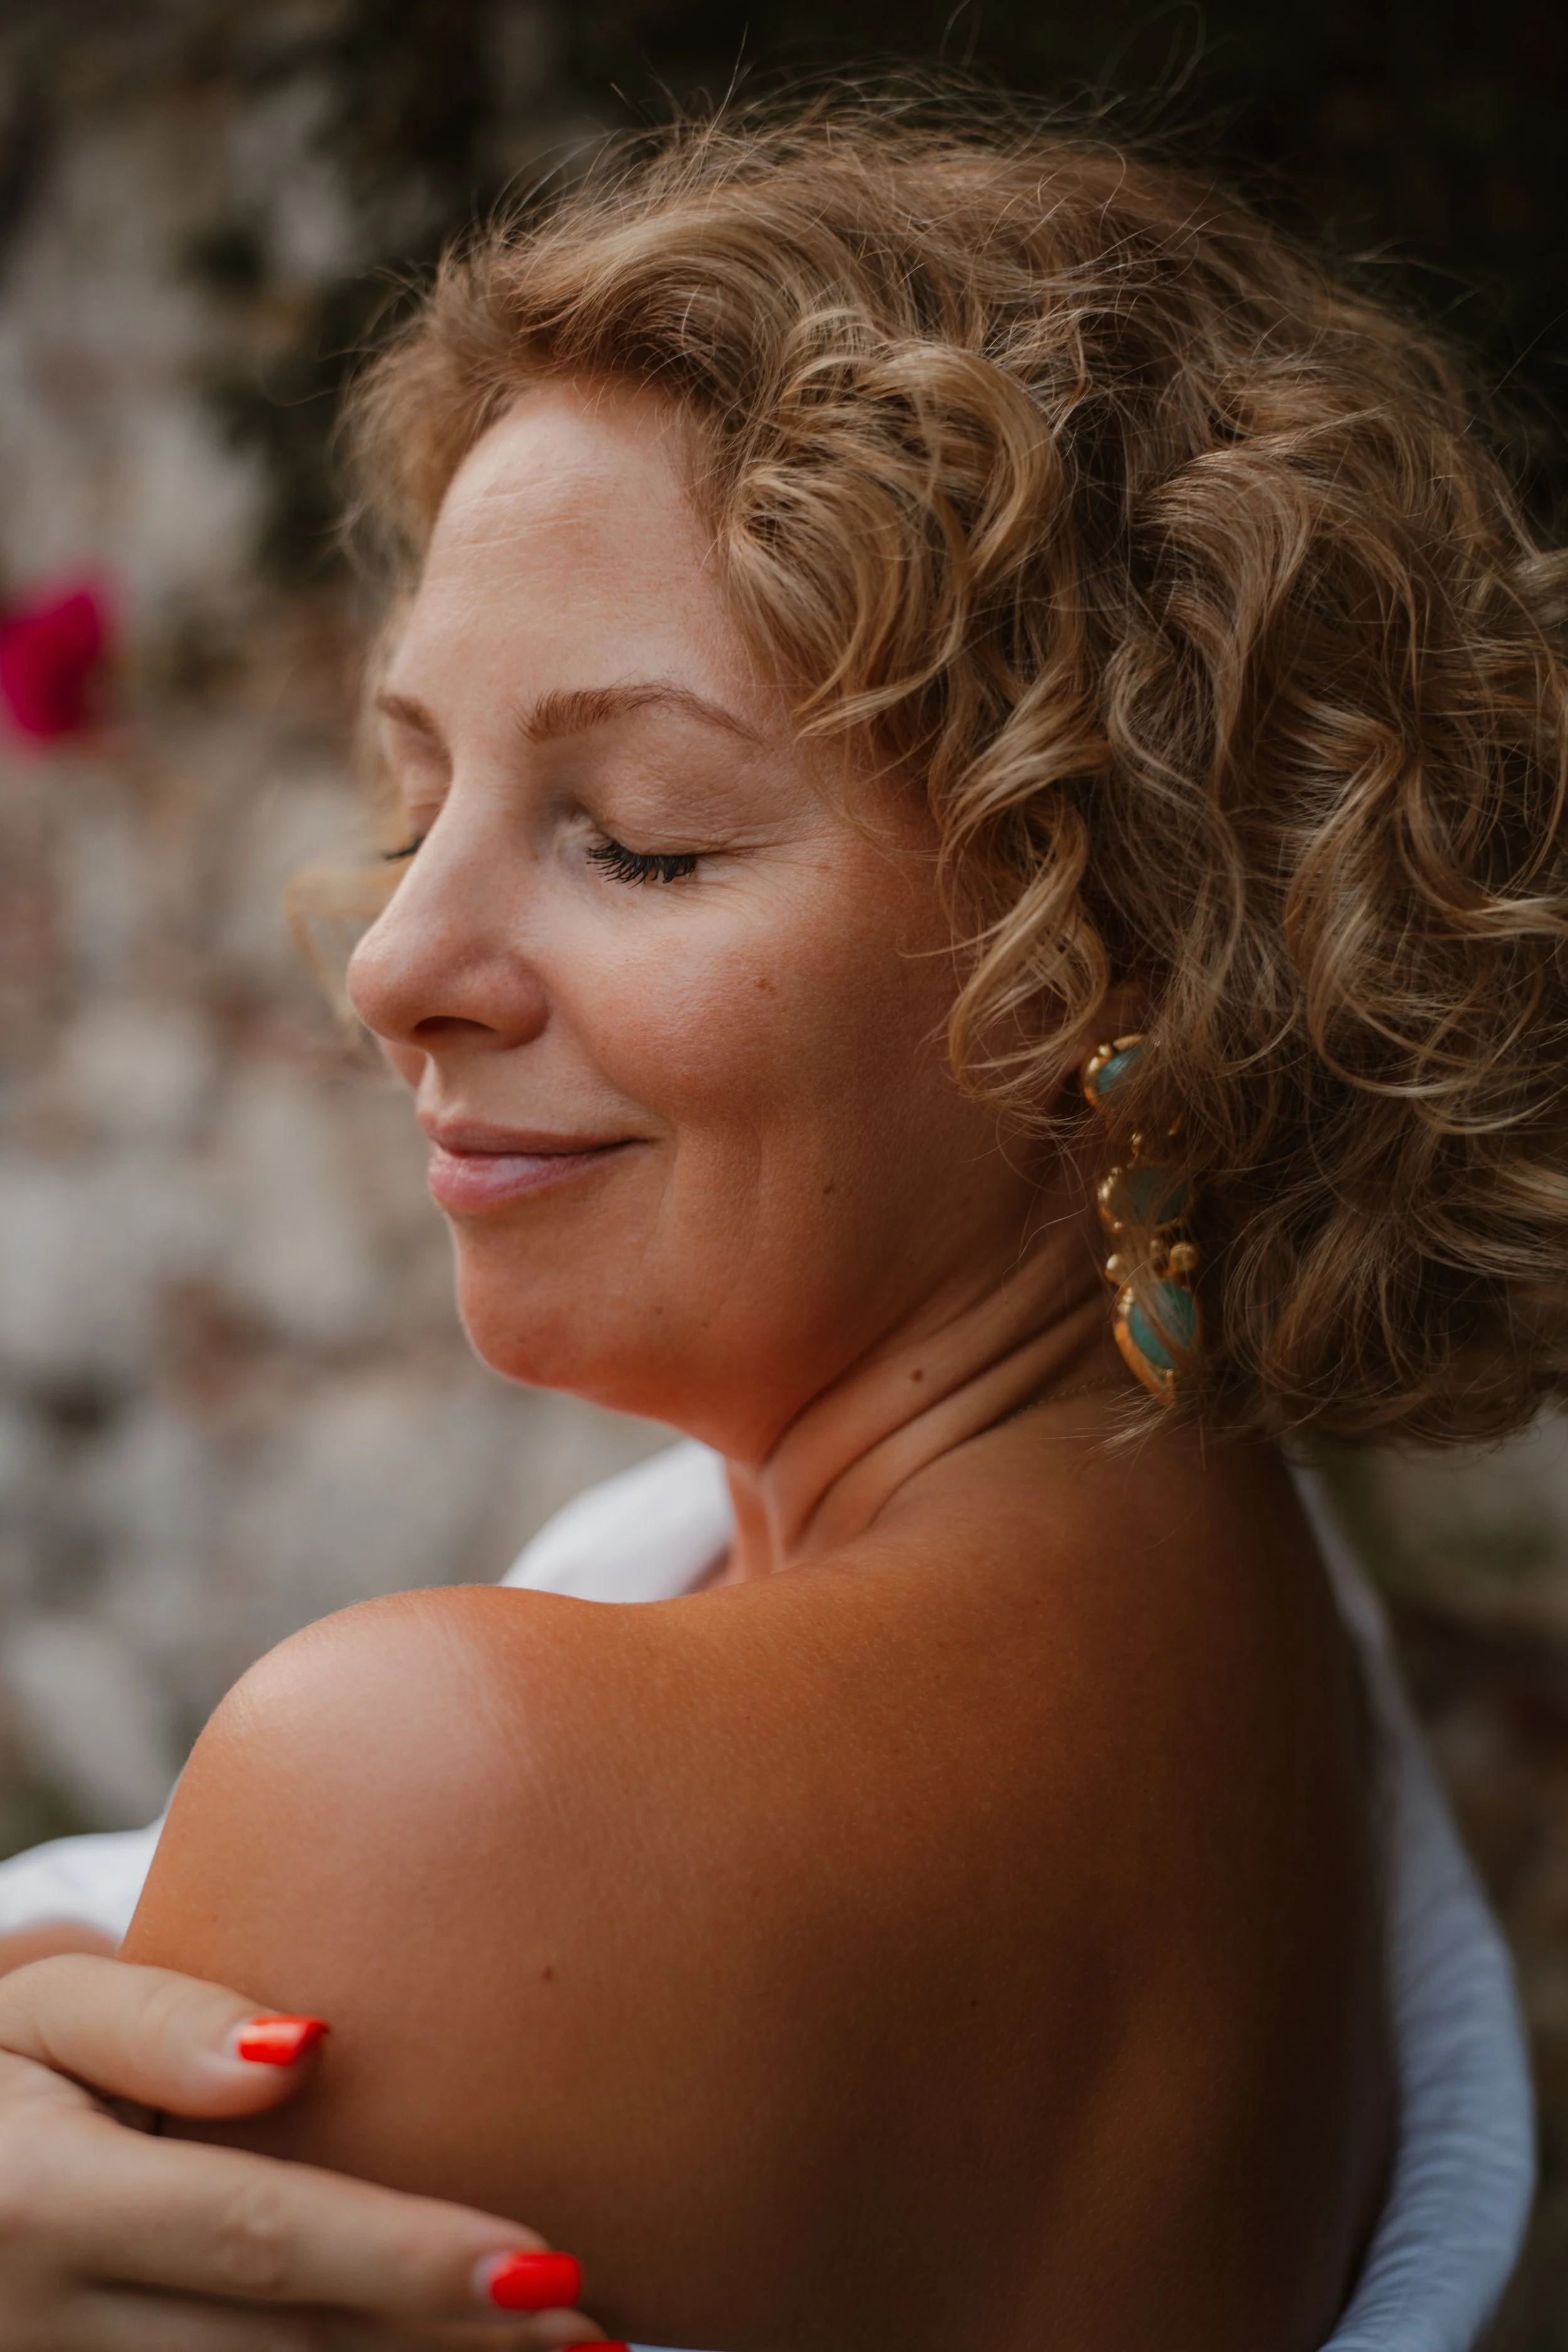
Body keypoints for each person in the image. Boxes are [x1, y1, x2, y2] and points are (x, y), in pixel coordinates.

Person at [0, 95, 1550, 2352]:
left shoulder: (461, 1791)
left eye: (635, 835)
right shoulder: (1226, 1617)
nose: (390, 960)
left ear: (1123, 956)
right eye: (422, 793)